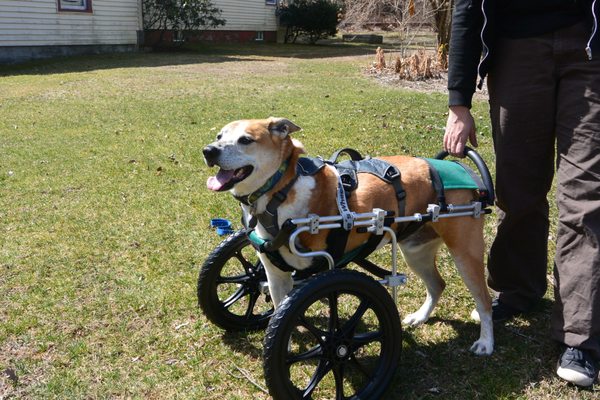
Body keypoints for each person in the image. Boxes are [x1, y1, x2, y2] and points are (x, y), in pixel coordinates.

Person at [443, 0, 600, 387]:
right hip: (516, 51)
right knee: (518, 190)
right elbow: (467, 7)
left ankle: (580, 334)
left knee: (585, 196)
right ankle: (518, 288)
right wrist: (458, 102)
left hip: (590, 50)